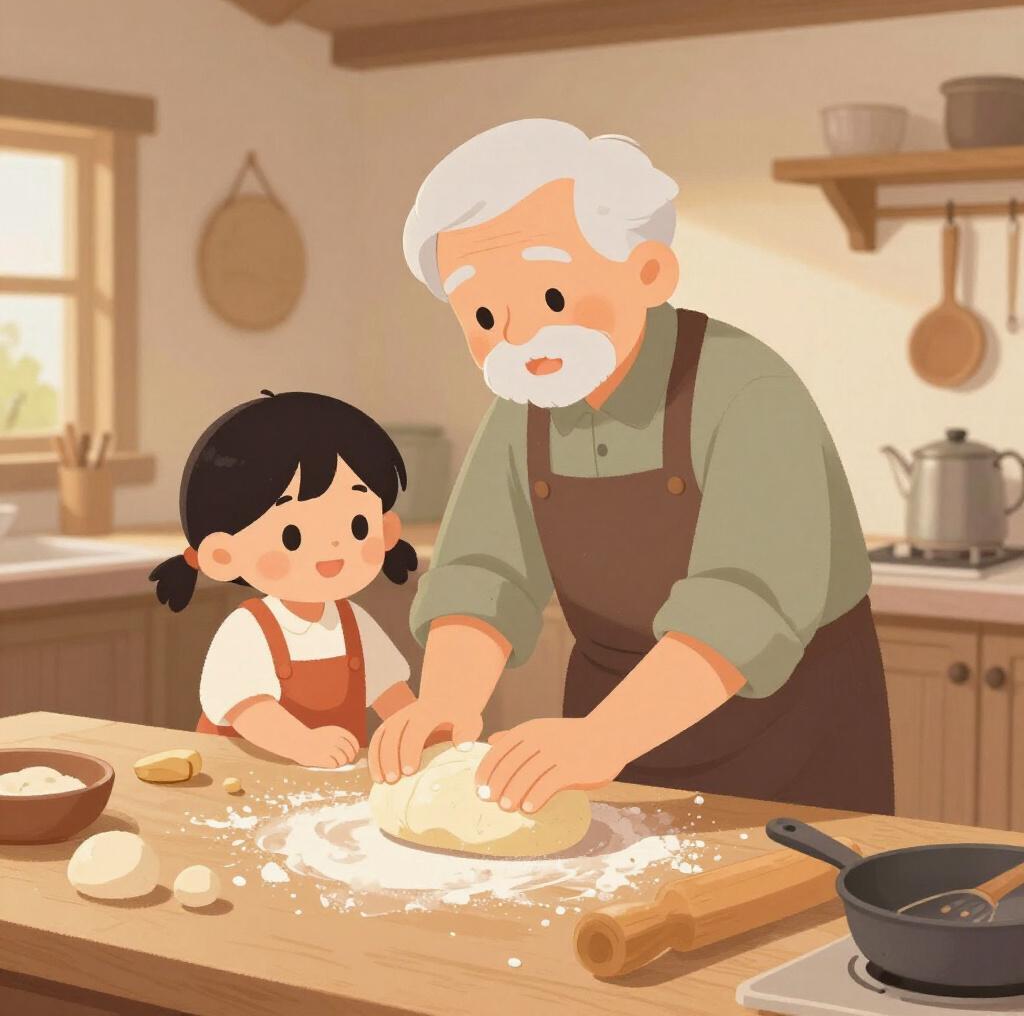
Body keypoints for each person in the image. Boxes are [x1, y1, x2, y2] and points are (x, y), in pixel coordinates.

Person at [369, 119, 894, 816]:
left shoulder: (748, 390)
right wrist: (447, 703)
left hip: (791, 740)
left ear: (648, 272)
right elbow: (482, 574)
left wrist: (603, 738)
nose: (520, 336)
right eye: (487, 315)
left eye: (552, 298)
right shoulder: (522, 410)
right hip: (607, 736)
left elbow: (745, 603)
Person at [150, 390, 419, 769]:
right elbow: (249, 708)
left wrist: (426, 734)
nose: (334, 546)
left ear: (386, 530)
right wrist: (302, 743)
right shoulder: (247, 630)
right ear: (223, 555)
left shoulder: (355, 624)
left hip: (325, 786)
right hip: (240, 785)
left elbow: (393, 695)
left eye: (358, 526)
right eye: (293, 535)